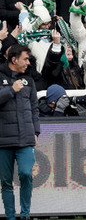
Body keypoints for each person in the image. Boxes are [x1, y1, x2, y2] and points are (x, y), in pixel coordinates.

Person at [0, 44, 38, 220]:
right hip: (3, 140)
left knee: (26, 174)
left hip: (25, 138)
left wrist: (36, 131)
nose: (28, 62)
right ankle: (10, 217)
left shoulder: (29, 80)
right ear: (14, 60)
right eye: (25, 59)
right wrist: (10, 90)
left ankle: (25, 215)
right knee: (6, 182)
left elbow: (34, 108)